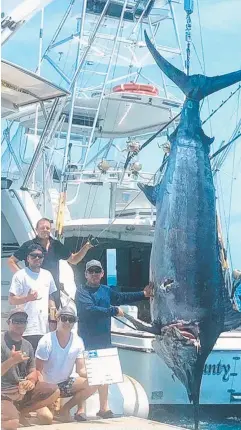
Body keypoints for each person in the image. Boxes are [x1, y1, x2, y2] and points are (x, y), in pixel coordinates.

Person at [75, 259, 153, 418]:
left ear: (102, 273)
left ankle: (104, 408)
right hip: (86, 340)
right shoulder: (81, 291)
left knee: (105, 375)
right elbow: (89, 310)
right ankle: (80, 410)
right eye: (91, 271)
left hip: (104, 340)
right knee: (86, 375)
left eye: (97, 271)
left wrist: (143, 294)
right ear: (86, 274)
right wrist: (113, 311)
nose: (95, 274)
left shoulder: (106, 290)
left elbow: (122, 297)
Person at [7, 217, 93, 309]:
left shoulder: (56, 245)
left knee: (53, 320)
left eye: (47, 228)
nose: (45, 230)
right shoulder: (28, 245)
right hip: (33, 291)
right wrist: (23, 276)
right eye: (42, 228)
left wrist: (87, 246)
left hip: (53, 291)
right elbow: (11, 261)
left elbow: (74, 260)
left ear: (50, 229)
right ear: (36, 230)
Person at [35, 306, 98, 423]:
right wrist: (48, 391)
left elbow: (81, 370)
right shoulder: (46, 341)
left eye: (71, 319)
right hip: (45, 386)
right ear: (57, 319)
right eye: (64, 318)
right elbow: (37, 371)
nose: (67, 322)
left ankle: (64, 410)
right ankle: (39, 406)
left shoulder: (78, 341)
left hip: (63, 385)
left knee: (93, 384)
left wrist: (98, 375)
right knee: (46, 419)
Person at [1, 309, 59, 428]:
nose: (20, 324)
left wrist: (31, 381)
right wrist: (12, 360)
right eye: (16, 321)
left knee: (55, 391)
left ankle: (20, 412)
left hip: (21, 390)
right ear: (8, 322)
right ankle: (12, 414)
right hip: (3, 392)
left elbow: (33, 371)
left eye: (23, 321)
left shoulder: (27, 345)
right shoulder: (1, 342)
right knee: (11, 424)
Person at [9, 244, 57, 352]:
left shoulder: (48, 275)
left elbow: (51, 298)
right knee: (26, 364)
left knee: (42, 365)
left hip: (44, 329)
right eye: (33, 255)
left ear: (43, 258)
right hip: (25, 329)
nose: (37, 258)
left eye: (40, 256)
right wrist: (28, 298)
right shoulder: (20, 275)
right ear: (28, 258)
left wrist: (53, 320)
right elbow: (11, 300)